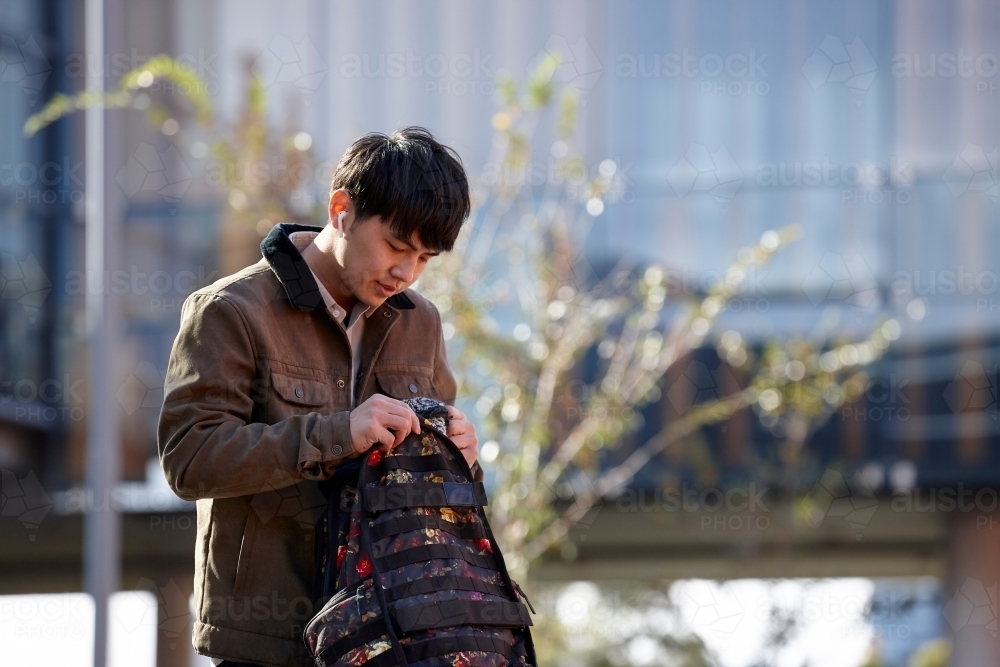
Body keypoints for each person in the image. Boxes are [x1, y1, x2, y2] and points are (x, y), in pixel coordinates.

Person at [158, 127, 480, 667]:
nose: (406, 272)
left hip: (392, 636)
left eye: (425, 257)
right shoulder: (230, 311)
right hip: (271, 644)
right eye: (397, 246)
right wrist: (338, 435)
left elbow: (433, 493)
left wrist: (460, 459)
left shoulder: (421, 323)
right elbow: (190, 460)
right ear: (341, 211)